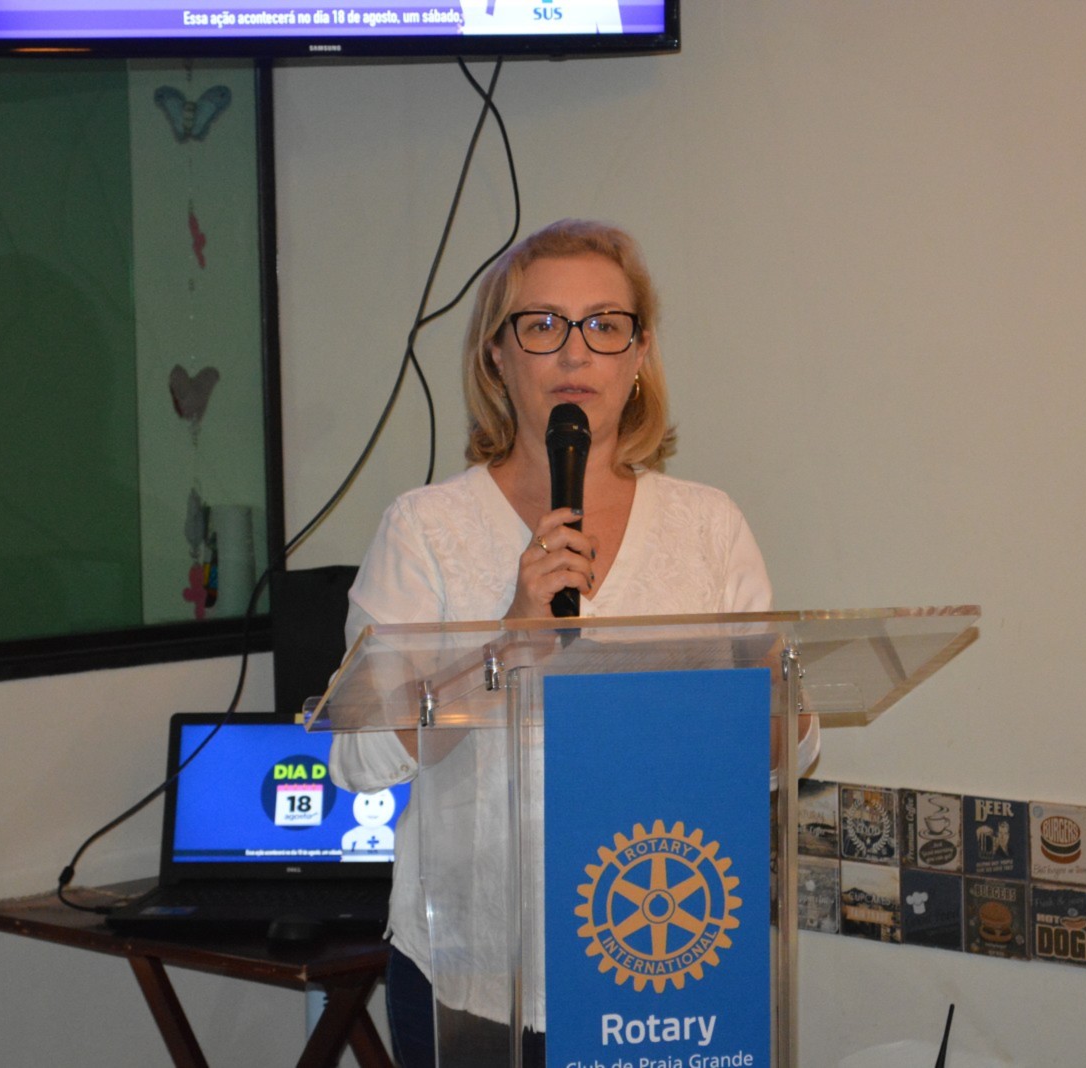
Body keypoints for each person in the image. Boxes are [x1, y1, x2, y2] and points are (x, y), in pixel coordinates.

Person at [328, 219, 817, 1068]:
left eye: (605, 325)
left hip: (670, 960)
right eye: (543, 324)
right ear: (496, 355)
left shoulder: (708, 526)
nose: (575, 351)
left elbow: (788, 751)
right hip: (477, 980)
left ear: (639, 354)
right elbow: (360, 754)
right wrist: (510, 645)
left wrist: (777, 700)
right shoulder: (425, 529)